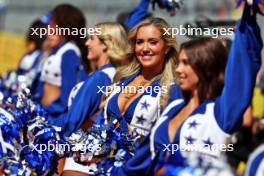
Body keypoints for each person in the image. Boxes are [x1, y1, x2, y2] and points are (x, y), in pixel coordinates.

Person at [108, 2, 263, 175]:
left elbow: (244, 64)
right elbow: (141, 161)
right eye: (179, 62)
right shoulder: (174, 103)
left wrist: (249, 14)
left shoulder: (220, 113)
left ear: (206, 67)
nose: (179, 69)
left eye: (186, 63)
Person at [62, 17, 182, 176]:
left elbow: (168, 144)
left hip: (135, 170)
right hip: (98, 165)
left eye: (152, 42)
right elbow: (99, 124)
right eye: (140, 42)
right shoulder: (121, 79)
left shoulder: (172, 90)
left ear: (166, 47)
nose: (145, 48)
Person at [40, 4, 87, 116]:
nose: (49, 34)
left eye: (54, 30)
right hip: (45, 114)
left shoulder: (69, 53)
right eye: (49, 28)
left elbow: (67, 97)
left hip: (54, 118)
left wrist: (46, 113)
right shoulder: (56, 51)